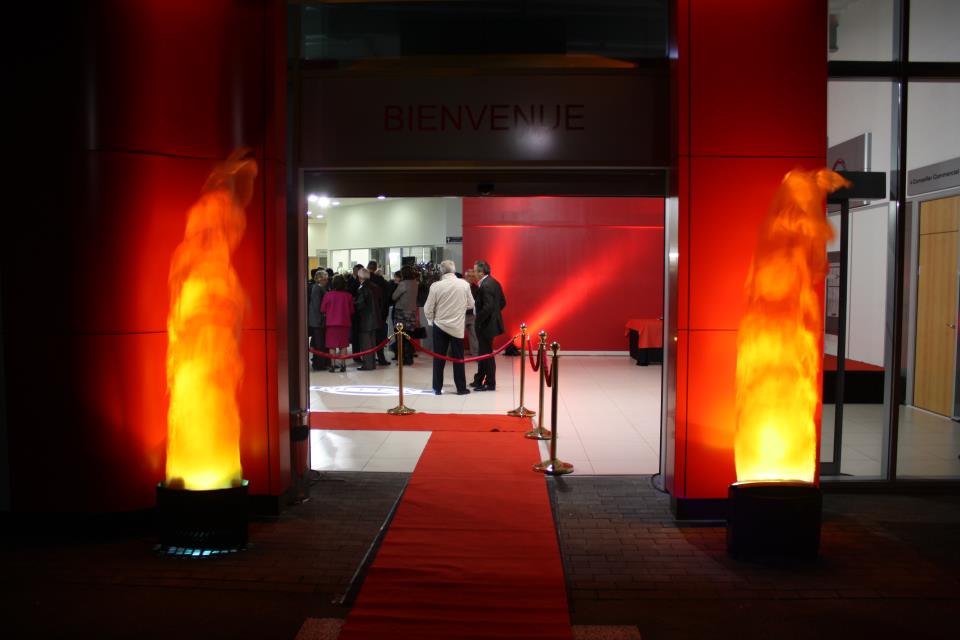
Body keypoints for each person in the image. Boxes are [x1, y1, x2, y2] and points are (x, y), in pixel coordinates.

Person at [423, 260, 474, 395]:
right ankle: (461, 389)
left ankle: (437, 388)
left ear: (441, 271)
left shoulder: (435, 286)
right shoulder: (464, 284)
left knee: (438, 358)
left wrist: (431, 321)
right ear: (454, 270)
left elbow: (428, 308)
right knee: (458, 359)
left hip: (439, 326)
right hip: (457, 326)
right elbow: (471, 304)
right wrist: (460, 308)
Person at [472, 259, 506, 391]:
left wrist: (479, 320)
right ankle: (479, 380)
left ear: (481, 272)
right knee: (484, 353)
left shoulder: (485, 285)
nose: (473, 273)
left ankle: (490, 383)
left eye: (475, 271)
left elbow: (488, 307)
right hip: (490, 324)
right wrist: (494, 316)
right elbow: (502, 302)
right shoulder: (494, 282)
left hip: (485, 325)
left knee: (486, 355)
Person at [320, 275, 354, 373]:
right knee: (343, 345)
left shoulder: (328, 295)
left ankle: (333, 365)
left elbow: (322, 309)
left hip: (331, 324)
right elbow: (351, 310)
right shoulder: (348, 296)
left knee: (332, 346)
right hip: (344, 323)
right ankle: (343, 365)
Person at [353, 267, 381, 371]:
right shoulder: (375, 286)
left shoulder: (362, 288)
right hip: (376, 319)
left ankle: (368, 365)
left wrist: (353, 303)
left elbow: (360, 305)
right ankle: (372, 364)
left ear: (360, 277)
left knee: (366, 344)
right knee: (372, 343)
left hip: (366, 320)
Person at [391, 266, 419, 366]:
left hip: (401, 313)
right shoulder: (415, 283)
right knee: (408, 336)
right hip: (411, 312)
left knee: (400, 337)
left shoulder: (403, 284)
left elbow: (394, 296)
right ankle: (409, 358)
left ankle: (401, 358)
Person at [367, 260, 390, 366]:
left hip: (368, 313)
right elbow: (386, 297)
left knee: (367, 337)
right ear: (376, 268)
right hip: (380, 312)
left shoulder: (366, 280)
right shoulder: (381, 280)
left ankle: (368, 359)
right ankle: (381, 358)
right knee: (379, 337)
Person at [308, 269, 329, 371]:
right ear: (320, 279)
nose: (327, 281)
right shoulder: (317, 289)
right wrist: (321, 318)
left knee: (319, 343)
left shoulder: (318, 288)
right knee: (319, 344)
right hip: (318, 321)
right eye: (325, 279)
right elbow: (317, 306)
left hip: (318, 320)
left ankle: (321, 362)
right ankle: (319, 364)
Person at [464, 268, 480, 357]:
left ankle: (475, 353)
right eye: (468, 276)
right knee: (456, 335)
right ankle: (452, 354)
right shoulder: (461, 287)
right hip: (461, 315)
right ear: (465, 276)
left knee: (474, 335)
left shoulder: (476, 288)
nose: (470, 277)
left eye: (472, 276)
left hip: (472, 315)